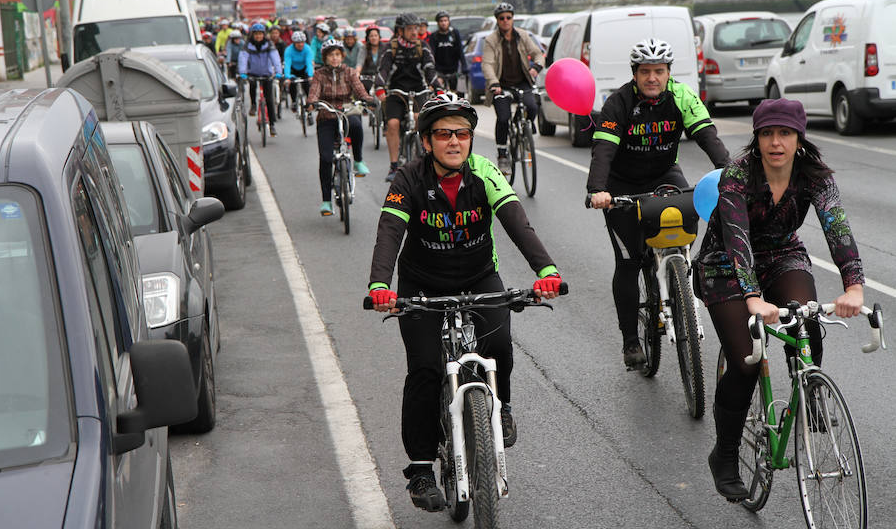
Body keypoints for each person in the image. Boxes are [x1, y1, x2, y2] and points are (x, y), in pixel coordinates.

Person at [367, 93, 564, 512]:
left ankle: (502, 406)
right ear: (426, 141)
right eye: (443, 134)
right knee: (424, 367)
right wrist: (380, 285)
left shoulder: (485, 173)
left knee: (499, 344)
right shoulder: (409, 179)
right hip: (422, 284)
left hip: (478, 276)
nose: (454, 141)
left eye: (462, 133)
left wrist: (546, 271)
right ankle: (420, 469)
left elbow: (516, 222)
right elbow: (389, 231)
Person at [693, 98, 864, 502]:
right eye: (767, 133)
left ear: (799, 139)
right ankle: (726, 454)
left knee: (808, 321)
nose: (775, 142)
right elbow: (735, 236)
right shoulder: (738, 173)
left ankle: (808, 390)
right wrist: (751, 295)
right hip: (724, 263)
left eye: (784, 133)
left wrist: (854, 285)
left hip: (783, 253)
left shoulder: (816, 176)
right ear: (756, 139)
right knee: (746, 359)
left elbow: (836, 226)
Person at [585, 38, 730, 368]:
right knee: (629, 261)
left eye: (659, 71)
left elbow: (709, 138)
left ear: (668, 74)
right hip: (622, 185)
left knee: (687, 230)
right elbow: (603, 150)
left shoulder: (681, 96)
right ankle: (630, 340)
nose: (653, 78)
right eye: (646, 71)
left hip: (665, 175)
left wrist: (731, 173)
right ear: (635, 74)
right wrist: (598, 189)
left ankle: (679, 284)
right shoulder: (619, 103)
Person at [307, 40, 374, 215]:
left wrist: (367, 98)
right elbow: (314, 91)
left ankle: (358, 161)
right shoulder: (319, 75)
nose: (334, 58)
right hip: (326, 114)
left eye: (337, 54)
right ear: (325, 58)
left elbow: (359, 89)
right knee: (326, 158)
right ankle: (326, 201)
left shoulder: (350, 72)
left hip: (347, 111)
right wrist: (312, 103)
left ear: (342, 56)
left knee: (357, 126)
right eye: (331, 55)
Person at [374, 12, 441, 182]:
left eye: (416, 28)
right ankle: (394, 165)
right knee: (393, 124)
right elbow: (384, 69)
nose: (414, 32)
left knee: (421, 119)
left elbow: (430, 69)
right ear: (400, 31)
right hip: (397, 92)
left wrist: (439, 87)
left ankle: (426, 158)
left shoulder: (423, 46)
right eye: (410, 29)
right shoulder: (391, 47)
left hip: (419, 90)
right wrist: (379, 86)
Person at [481, 2, 545, 175]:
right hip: (501, 85)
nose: (505, 21)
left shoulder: (522, 35)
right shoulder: (491, 40)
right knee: (503, 117)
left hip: (522, 82)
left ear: (513, 18)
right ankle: (502, 154)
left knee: (532, 107)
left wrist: (536, 67)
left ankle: (522, 124)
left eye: (508, 17)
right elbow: (487, 64)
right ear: (497, 20)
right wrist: (494, 83)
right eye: (501, 18)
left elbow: (538, 53)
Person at [238, 23, 283, 135]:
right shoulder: (248, 45)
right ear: (252, 35)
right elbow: (243, 58)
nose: (258, 36)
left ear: (264, 34)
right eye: (256, 34)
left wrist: (278, 72)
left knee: (269, 99)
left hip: (267, 74)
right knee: (252, 86)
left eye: (260, 34)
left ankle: (272, 124)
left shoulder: (269, 44)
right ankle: (253, 105)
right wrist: (243, 72)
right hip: (253, 73)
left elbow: (275, 58)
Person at [427, 10, 468, 92]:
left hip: (453, 70)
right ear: (438, 23)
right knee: (437, 90)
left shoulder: (454, 34)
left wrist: (464, 66)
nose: (443, 23)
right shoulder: (434, 36)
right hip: (439, 71)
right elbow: (431, 54)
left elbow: (460, 51)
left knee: (457, 92)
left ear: (449, 21)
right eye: (441, 21)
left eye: (445, 20)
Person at [283, 30, 314, 117]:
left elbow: (309, 63)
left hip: (304, 69)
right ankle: (293, 101)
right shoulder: (289, 50)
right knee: (292, 84)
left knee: (307, 86)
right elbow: (287, 64)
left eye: (302, 42)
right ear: (294, 43)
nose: (300, 45)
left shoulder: (307, 49)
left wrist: (310, 75)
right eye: (298, 43)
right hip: (293, 70)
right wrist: (287, 77)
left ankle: (309, 108)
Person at [357, 25, 382, 92]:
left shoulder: (385, 48)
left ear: (379, 37)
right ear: (368, 38)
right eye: (371, 36)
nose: (374, 38)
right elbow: (360, 62)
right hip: (367, 78)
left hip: (381, 78)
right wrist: (357, 73)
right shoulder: (364, 48)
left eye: (376, 35)